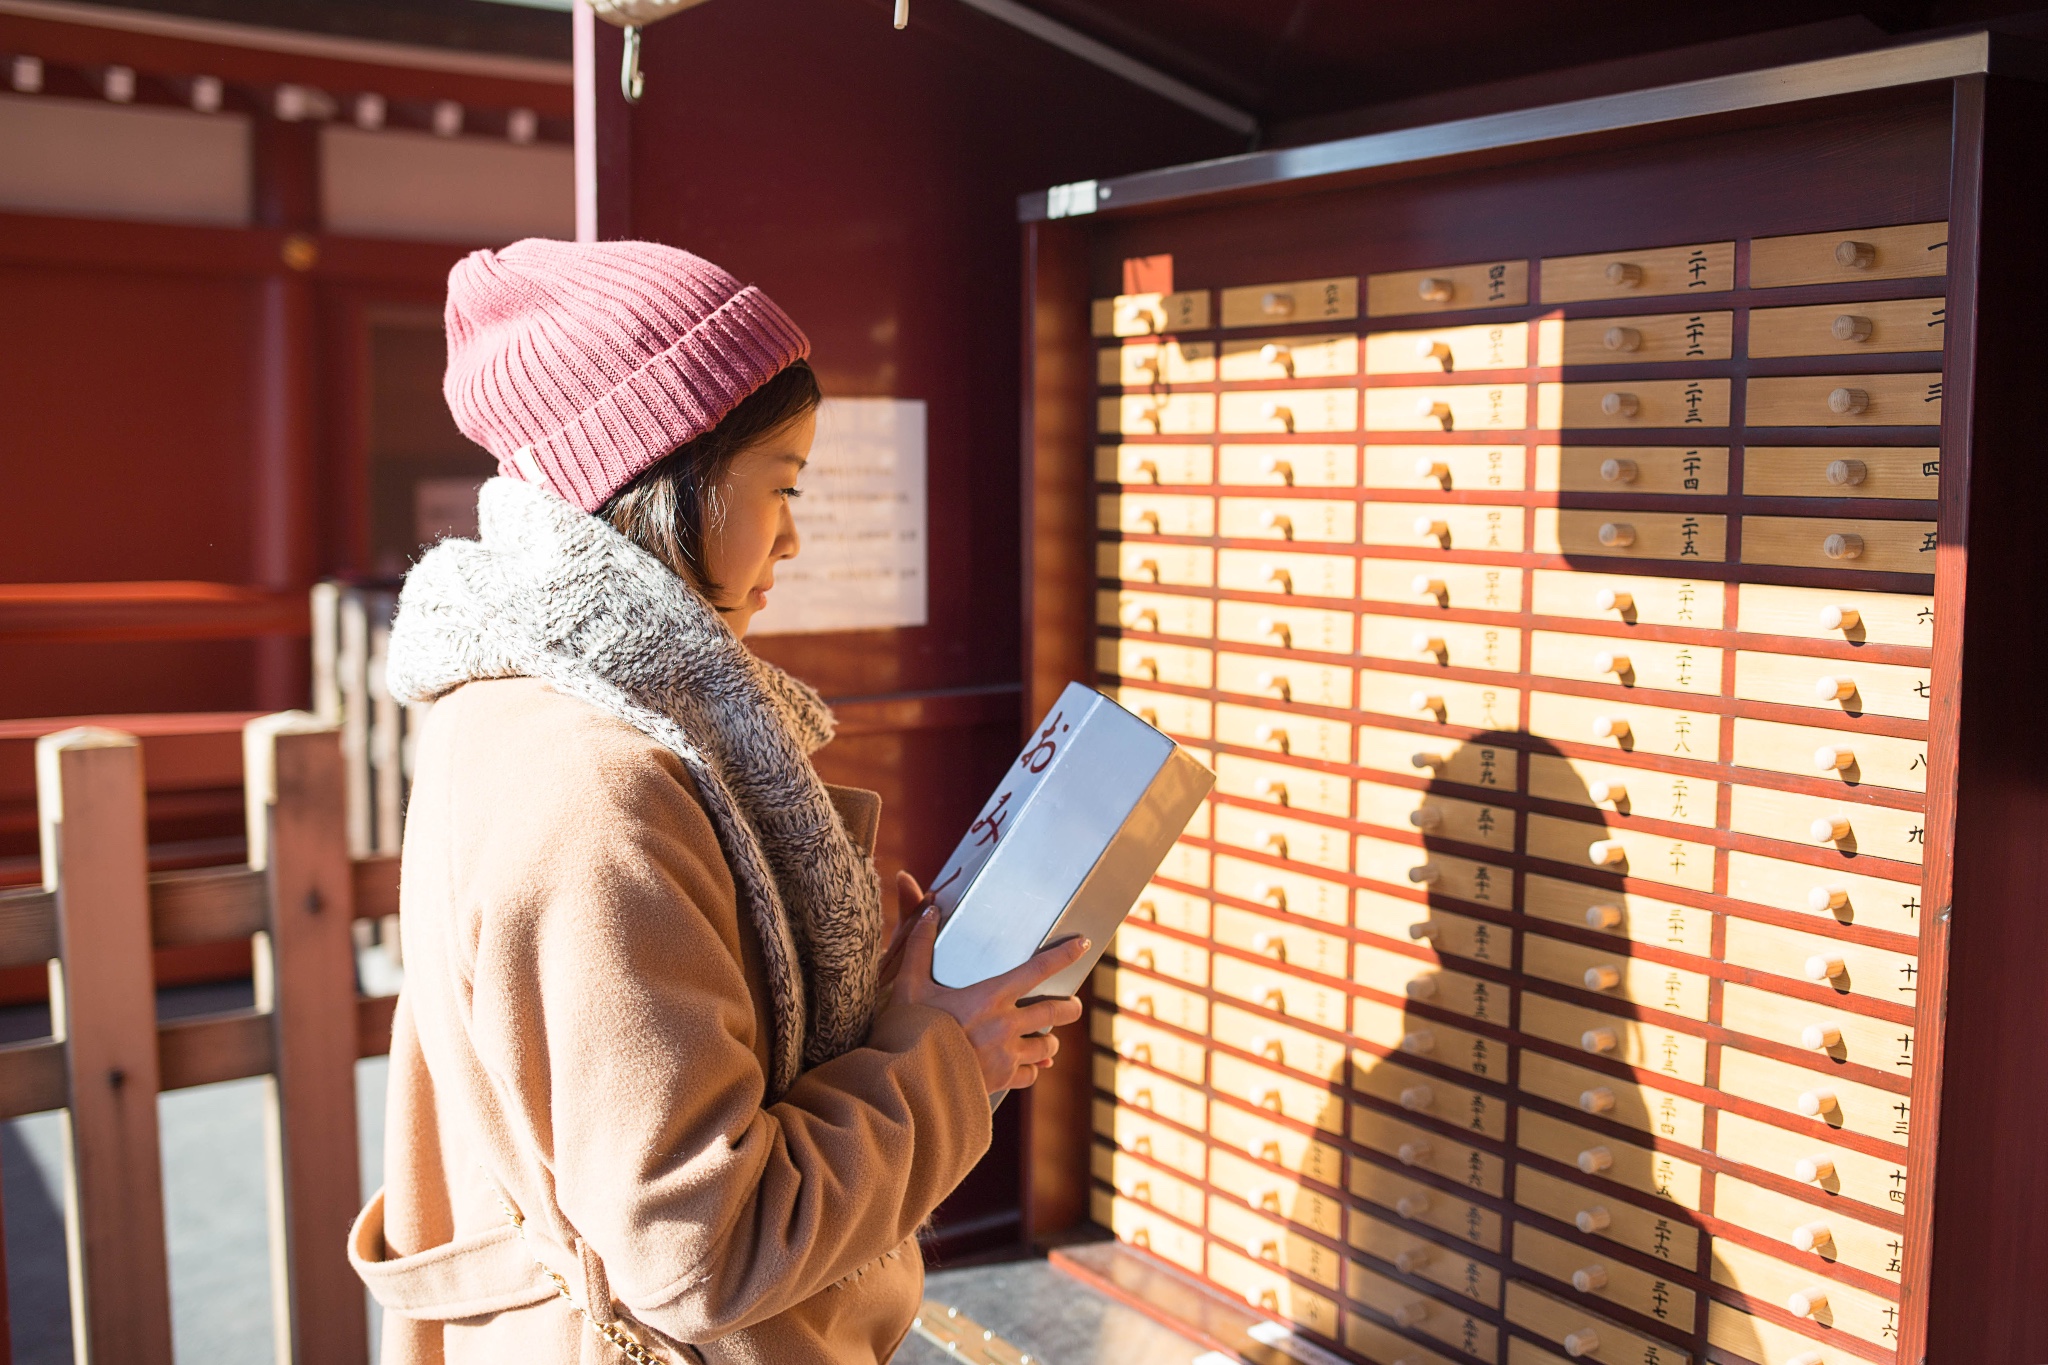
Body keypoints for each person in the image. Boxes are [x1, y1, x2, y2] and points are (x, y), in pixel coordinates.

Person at [348, 238, 1085, 1365]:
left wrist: (885, 1008)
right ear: (660, 479)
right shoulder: (602, 783)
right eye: (781, 485)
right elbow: (703, 1248)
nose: (792, 536)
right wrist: (945, 1057)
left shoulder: (507, 701)